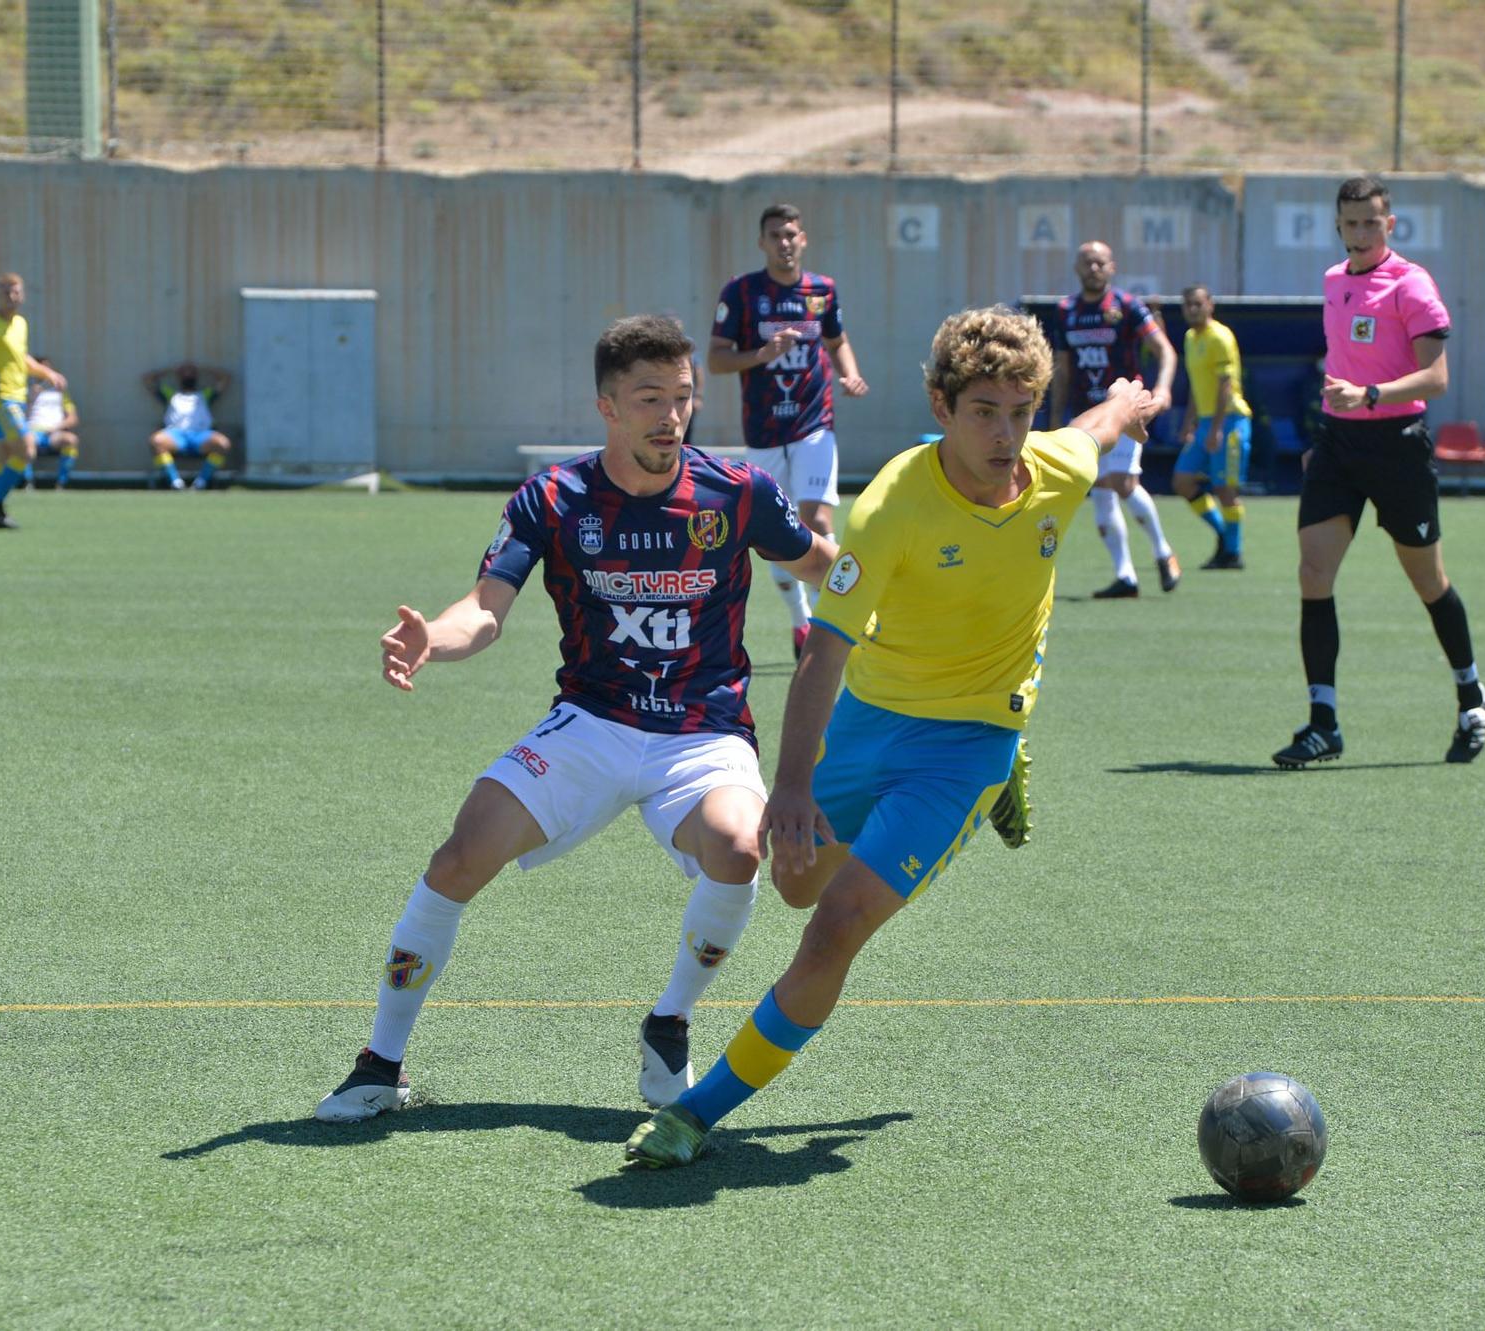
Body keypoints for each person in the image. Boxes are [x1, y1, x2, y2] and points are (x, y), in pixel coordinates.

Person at [624, 306, 1157, 1168]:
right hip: (869, 721)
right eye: (984, 411)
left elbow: (1094, 428)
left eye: (1021, 412)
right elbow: (822, 654)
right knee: (795, 886)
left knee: (832, 926)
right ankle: (975, 779)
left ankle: (697, 1112)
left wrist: (1129, 401)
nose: (1007, 434)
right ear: (942, 408)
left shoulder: (1053, 468)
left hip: (968, 743)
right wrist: (790, 785)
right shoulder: (888, 510)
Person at [316, 315, 839, 1123]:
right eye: (649, 398)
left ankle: (670, 1020)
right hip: (592, 722)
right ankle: (380, 1064)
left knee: (739, 847)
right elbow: (485, 611)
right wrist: (435, 641)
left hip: (703, 731)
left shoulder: (736, 492)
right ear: (607, 406)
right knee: (460, 855)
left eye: (684, 397)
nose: (671, 416)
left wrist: (878, 572)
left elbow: (821, 565)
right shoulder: (554, 498)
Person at [1271, 175, 1485, 770]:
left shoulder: (1412, 284)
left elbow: (1437, 378)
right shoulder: (1333, 281)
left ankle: (1471, 697)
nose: (1362, 232)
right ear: (1338, 227)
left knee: (1428, 582)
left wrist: (1369, 395)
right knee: (1313, 573)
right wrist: (1328, 433)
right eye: (1351, 223)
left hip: (1397, 445)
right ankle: (1323, 723)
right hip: (1339, 445)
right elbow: (1342, 364)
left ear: (1390, 224)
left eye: (1372, 221)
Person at [708, 203, 869, 658]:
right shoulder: (741, 293)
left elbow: (838, 342)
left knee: (818, 520)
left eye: (791, 234)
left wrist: (849, 373)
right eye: (775, 235)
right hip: (763, 430)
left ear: (804, 240)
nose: (784, 242)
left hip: (815, 424)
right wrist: (761, 354)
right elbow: (717, 358)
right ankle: (800, 623)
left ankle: (829, 625)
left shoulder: (822, 290)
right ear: (762, 242)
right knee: (776, 529)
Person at [1048, 241, 1180, 598]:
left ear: (1112, 267)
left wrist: (1163, 391)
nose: (1093, 268)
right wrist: (1056, 415)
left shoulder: (1126, 306)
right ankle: (1125, 576)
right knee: (1101, 492)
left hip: (1122, 409)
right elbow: (1062, 367)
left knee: (1121, 482)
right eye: (1087, 262)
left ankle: (1163, 552)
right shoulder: (1065, 311)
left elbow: (1165, 351)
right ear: (1077, 267)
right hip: (1086, 415)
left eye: (1100, 262)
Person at [0, 273, 65, 530]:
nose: (12, 297)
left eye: (16, 292)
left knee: (2, 454)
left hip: (16, 398)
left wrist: (48, 373)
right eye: (6, 292)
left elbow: (21, 358)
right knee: (27, 449)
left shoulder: (21, 324)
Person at [1173, 285, 1251, 570]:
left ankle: (1233, 553)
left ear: (1210, 305)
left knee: (1225, 489)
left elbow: (1225, 385)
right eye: (1188, 305)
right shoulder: (1191, 338)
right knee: (1182, 480)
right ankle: (1223, 534)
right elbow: (1197, 385)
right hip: (1207, 421)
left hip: (1229, 420)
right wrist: (1189, 423)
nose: (1193, 309)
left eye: (1198, 304)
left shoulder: (1220, 336)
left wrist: (1217, 428)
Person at [142, 362, 233, 491]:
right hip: (175, 436)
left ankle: (202, 481)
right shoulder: (171, 394)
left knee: (223, 444)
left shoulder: (205, 395)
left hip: (201, 436)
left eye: (191, 373)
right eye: (184, 373)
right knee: (156, 441)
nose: (187, 375)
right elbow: (147, 379)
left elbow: (225, 378)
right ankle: (175, 482)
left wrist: (201, 369)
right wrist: (171, 370)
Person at [22, 358, 80, 490]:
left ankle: (62, 483)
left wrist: (56, 427)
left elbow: (73, 418)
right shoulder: (25, 392)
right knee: (25, 440)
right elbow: (18, 418)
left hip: (54, 434)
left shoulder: (61, 394)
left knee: (71, 440)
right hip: (33, 432)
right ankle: (27, 481)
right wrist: (31, 398)